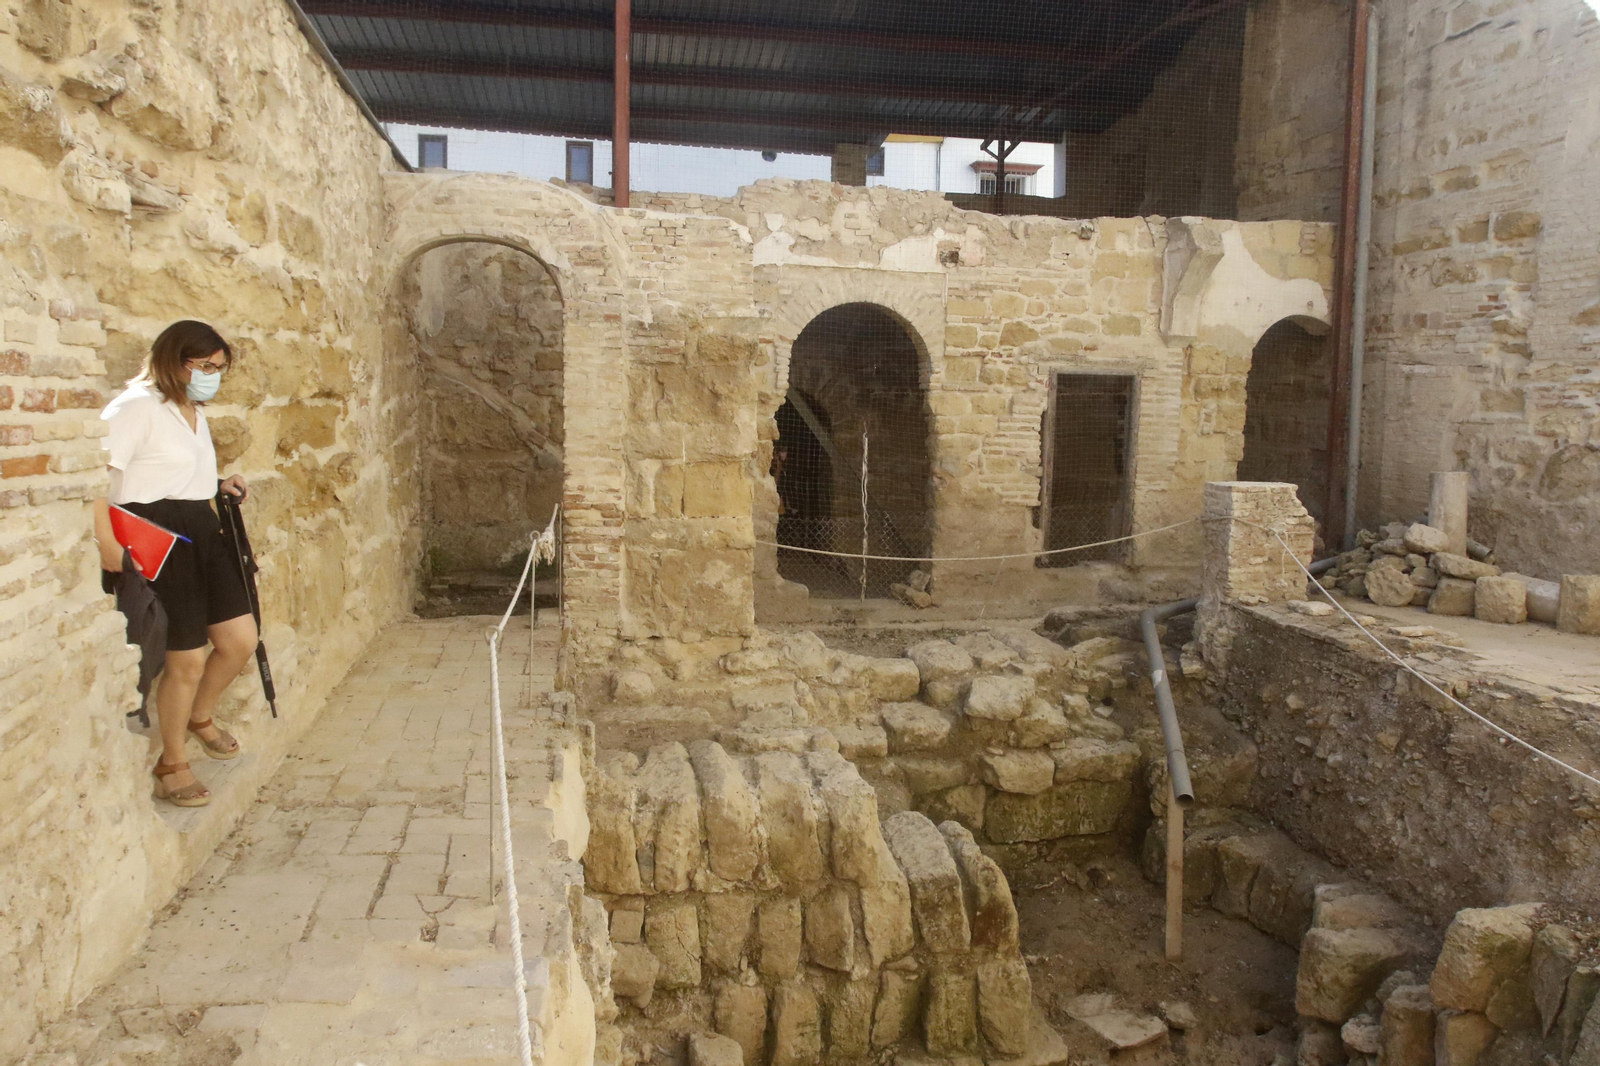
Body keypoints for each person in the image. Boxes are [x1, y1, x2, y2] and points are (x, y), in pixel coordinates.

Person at [93, 321, 258, 808]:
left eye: (218, 369)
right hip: (158, 538)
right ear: (173, 358)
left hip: (203, 531)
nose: (212, 376)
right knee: (184, 658)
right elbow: (100, 481)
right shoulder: (134, 408)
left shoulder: (191, 411)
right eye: (204, 366)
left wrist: (219, 485)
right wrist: (107, 546)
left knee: (239, 639)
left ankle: (199, 715)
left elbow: (178, 472)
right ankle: (172, 759)